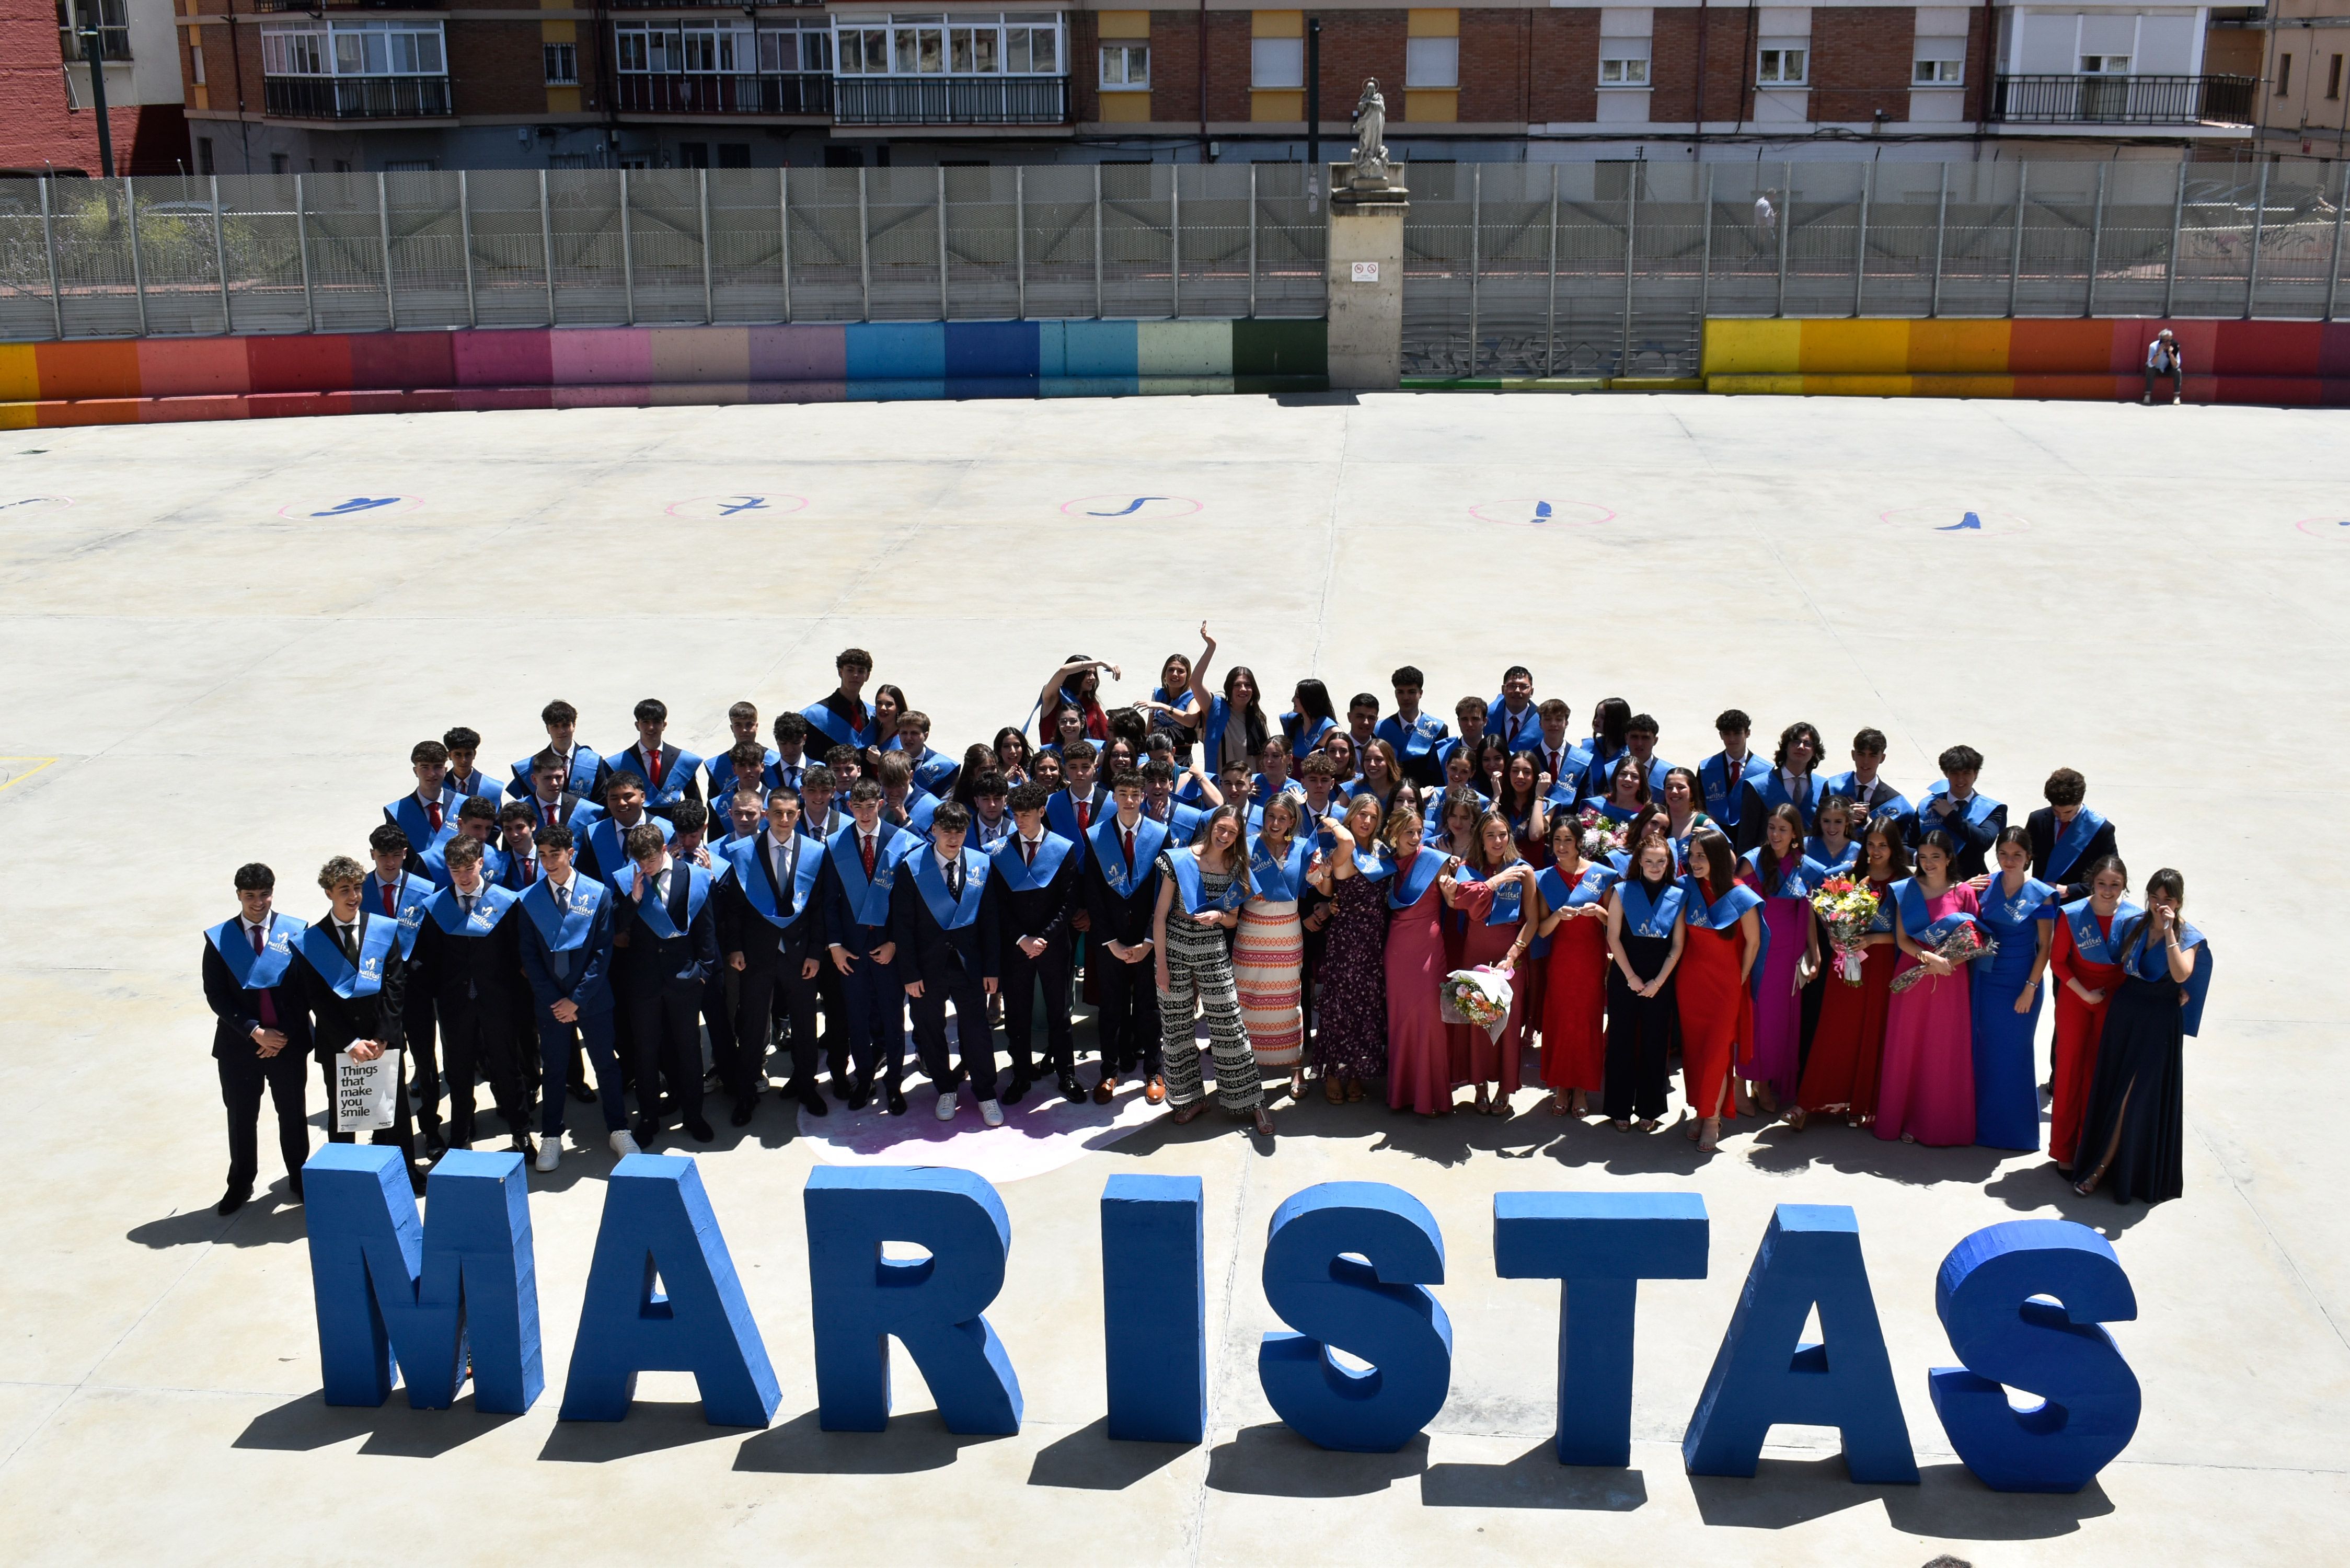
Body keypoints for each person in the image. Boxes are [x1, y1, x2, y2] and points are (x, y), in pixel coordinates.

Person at [2071, 869, 2213, 1204]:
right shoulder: (2134, 924)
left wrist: (2169, 932)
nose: (2160, 905)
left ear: (2179, 902)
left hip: (2158, 1024)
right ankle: (2110, 1165)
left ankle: (2101, 1168)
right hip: (2125, 1014)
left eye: (2168, 900)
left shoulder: (2188, 936)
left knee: (2132, 1097)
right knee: (2113, 1089)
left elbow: (2181, 973)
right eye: (2155, 897)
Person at [295, 855, 421, 1191]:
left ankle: (404, 1173)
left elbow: (396, 984)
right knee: (344, 1117)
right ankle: (346, 1184)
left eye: (357, 888)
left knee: (394, 1112)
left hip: (383, 1040)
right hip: (341, 1046)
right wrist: (350, 1042)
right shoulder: (313, 940)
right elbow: (317, 999)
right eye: (344, 890)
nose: (353, 896)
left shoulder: (381, 929)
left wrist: (383, 1036)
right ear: (328, 893)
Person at [516, 824, 633, 1171]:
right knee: (554, 1069)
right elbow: (529, 957)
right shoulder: (530, 899)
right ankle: (552, 1135)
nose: (549, 862)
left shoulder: (597, 894)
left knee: (606, 1065)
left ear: (571, 853)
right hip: (551, 1003)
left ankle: (619, 1129)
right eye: (543, 855)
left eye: (555, 854)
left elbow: (602, 953)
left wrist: (577, 999)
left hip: (592, 999)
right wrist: (556, 1000)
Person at [1154, 805, 1274, 1136]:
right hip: (1174, 947)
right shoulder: (1179, 859)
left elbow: (1233, 919)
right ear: (1211, 826)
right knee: (1176, 1028)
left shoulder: (1236, 867)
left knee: (1229, 1024)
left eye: (1232, 832)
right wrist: (1161, 966)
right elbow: (1160, 916)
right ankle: (1189, 1099)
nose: (1225, 836)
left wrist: (1219, 917)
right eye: (1221, 828)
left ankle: (1252, 1101)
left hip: (1212, 948)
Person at [202, 863, 313, 1215]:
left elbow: (305, 991)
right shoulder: (221, 939)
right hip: (240, 1046)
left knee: (292, 1114)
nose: (258, 902)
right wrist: (255, 1031)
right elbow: (216, 995)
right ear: (238, 895)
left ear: (272, 893)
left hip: (288, 1044)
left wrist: (281, 1035)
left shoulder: (293, 932)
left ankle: (299, 1176)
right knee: (241, 1116)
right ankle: (240, 1182)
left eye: (264, 895)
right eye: (250, 896)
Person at [414, 834, 533, 1157]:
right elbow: (428, 958)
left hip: (498, 1000)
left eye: (469, 868)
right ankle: (460, 1135)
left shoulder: (506, 902)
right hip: (455, 1004)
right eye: (456, 871)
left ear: (481, 863)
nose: (464, 877)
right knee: (459, 1072)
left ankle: (521, 1132)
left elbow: (518, 953)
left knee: (507, 1067)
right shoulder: (437, 907)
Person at [716, 790, 828, 1123]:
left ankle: (806, 1085)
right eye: (778, 813)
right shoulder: (745, 852)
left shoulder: (814, 852)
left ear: (798, 815)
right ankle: (746, 1091)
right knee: (752, 1025)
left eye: (790, 814)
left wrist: (815, 953)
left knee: (805, 1024)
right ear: (766, 815)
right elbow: (734, 908)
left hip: (800, 954)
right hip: (756, 954)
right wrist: (735, 947)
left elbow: (820, 909)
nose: (784, 819)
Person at [893, 801, 1003, 1126]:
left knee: (977, 1030)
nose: (953, 838)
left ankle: (985, 1093)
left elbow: (991, 921)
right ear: (934, 830)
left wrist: (992, 969)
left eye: (960, 831)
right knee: (930, 1030)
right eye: (946, 831)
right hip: (927, 967)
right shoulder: (912, 866)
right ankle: (945, 1088)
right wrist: (910, 973)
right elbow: (903, 926)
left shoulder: (981, 864)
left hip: (970, 965)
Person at [1792, 820, 1905, 1129]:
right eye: (1871, 844)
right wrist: (1833, 936)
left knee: (1870, 1031)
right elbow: (1819, 906)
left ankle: (1860, 1103)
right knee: (1833, 1029)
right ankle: (1807, 1102)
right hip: (1845, 962)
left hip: (1880, 965)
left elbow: (1907, 935)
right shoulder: (1849, 877)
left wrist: (1873, 940)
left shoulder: (1904, 883)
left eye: (1883, 845)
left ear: (1894, 847)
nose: (1876, 851)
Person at [612, 822, 718, 1146]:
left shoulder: (693, 876)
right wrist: (634, 899)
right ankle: (648, 1117)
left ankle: (694, 1115)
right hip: (643, 982)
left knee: (689, 1050)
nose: (645, 867)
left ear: (663, 850)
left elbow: (706, 929)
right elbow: (614, 927)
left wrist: (703, 971)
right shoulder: (627, 879)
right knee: (645, 1052)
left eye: (651, 860)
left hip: (684, 979)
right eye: (639, 861)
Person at [1877, 830, 1982, 1146]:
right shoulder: (1907, 890)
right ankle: (1901, 1118)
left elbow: (1975, 940)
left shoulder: (1964, 893)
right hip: (1913, 974)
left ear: (1949, 858)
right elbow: (1902, 939)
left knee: (1941, 1050)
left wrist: (1946, 962)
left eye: (1936, 856)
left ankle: (1936, 1124)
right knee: (1908, 1047)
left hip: (1950, 978)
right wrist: (1929, 958)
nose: (1929, 863)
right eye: (1923, 857)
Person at [822, 778, 916, 1114]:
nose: (864, 814)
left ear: (881, 804)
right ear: (849, 807)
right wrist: (835, 946)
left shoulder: (900, 841)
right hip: (851, 950)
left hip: (888, 948)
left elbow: (908, 903)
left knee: (893, 1018)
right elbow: (829, 901)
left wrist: (895, 942)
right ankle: (864, 1079)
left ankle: (893, 1084)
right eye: (858, 807)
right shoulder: (836, 844)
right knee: (857, 1019)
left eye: (870, 806)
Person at [991, 782, 1082, 1104]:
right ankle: (1021, 1074)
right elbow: (998, 903)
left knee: (1060, 1013)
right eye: (1015, 815)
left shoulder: (1062, 847)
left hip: (1053, 944)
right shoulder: (1000, 851)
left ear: (1042, 811)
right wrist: (1022, 939)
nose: (1020, 821)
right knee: (1017, 1014)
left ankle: (1066, 1074)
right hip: (1016, 946)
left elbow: (1069, 902)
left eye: (1026, 815)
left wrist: (1044, 937)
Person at [1441, 811, 1536, 1115]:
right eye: (1490, 835)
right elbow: (1457, 902)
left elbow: (1533, 919)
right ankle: (1479, 1085)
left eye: (1503, 834)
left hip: (1509, 957)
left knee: (1507, 1023)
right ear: (1480, 839)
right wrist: (1493, 882)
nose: (1498, 841)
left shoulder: (1523, 871)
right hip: (1475, 953)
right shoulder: (1468, 870)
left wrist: (1514, 953)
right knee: (1477, 1019)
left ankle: (1505, 1088)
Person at [1677, 829, 1764, 1154]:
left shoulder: (1741, 895)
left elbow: (1753, 942)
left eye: (1702, 856)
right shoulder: (1687, 888)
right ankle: (1702, 1110)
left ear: (1717, 857)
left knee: (1717, 1052)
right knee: (1696, 1051)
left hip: (1726, 985)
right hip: (1691, 983)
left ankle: (1712, 1119)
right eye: (1692, 855)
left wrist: (1739, 978)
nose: (1695, 862)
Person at [1971, 825, 2057, 1152]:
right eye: (2003, 854)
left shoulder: (2040, 893)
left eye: (2017, 855)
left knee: (2014, 1056)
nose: (2009, 860)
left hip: (2021, 984)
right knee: (1985, 1052)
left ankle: (2016, 1134)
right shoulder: (1985, 885)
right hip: (1986, 980)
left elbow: (2046, 947)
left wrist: (2030, 988)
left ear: (2028, 858)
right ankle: (1980, 1126)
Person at [2048, 855, 2135, 1173]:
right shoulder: (2072, 914)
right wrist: (2084, 993)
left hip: (2114, 1002)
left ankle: (2093, 1149)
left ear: (2124, 885)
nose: (2108, 891)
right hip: (2076, 998)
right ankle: (2064, 1150)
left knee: (2099, 1074)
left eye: (2115, 885)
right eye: (2102, 884)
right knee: (2070, 1072)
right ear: (2092, 883)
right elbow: (2058, 962)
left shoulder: (2134, 918)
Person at [1086, 769, 1168, 1103]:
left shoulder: (1159, 835)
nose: (1130, 800)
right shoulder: (1097, 837)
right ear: (1114, 797)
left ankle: (1154, 1071)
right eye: (1123, 794)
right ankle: (1109, 1071)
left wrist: (1149, 941)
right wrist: (1112, 943)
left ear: (1143, 796)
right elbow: (1093, 894)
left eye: (1135, 794)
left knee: (1149, 1007)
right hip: (1111, 940)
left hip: (1147, 938)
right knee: (1112, 1007)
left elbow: (1163, 893)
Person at [1737, 804, 1821, 1117]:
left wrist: (1815, 951)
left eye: (1783, 829)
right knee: (1753, 1018)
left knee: (1776, 1022)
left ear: (1795, 834)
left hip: (1788, 956)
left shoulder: (1805, 866)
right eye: (1772, 827)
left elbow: (1808, 912)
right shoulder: (1752, 861)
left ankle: (1764, 1083)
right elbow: (1735, 902)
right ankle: (1741, 1083)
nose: (1775, 834)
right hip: (1757, 950)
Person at [1305, 795, 1390, 1104]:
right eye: (1362, 814)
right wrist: (1333, 821)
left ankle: (1355, 1072)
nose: (1367, 821)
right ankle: (1333, 1072)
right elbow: (1347, 840)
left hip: (1375, 939)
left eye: (1373, 816)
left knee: (1366, 1007)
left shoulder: (1382, 850)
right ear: (1351, 816)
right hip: (1347, 940)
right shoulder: (1344, 849)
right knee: (1340, 1007)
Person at [1530, 815, 1616, 1117]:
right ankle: (1562, 1086)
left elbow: (1615, 923)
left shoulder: (1601, 876)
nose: (1562, 846)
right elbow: (1542, 930)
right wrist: (1557, 916)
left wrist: (1599, 913)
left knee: (1587, 1022)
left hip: (1591, 960)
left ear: (1580, 842)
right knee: (1561, 1021)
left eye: (1568, 840)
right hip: (1561, 961)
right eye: (1557, 840)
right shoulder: (1545, 878)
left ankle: (1582, 1087)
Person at [1600, 836, 1684, 1132]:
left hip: (1660, 980)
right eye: (1649, 861)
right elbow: (1613, 938)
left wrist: (1658, 982)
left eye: (1661, 861)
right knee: (1621, 1042)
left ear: (1669, 862)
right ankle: (1618, 1108)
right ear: (1639, 862)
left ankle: (1650, 1109)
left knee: (1655, 1044)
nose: (1655, 866)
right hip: (1626, 977)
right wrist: (1631, 977)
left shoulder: (1678, 895)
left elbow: (1677, 945)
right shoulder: (1623, 891)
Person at [1237, 793, 1315, 1097]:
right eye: (1271, 816)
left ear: (1292, 821)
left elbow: (1321, 883)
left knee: (1288, 1001)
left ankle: (1296, 1069)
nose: (1275, 823)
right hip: (1251, 934)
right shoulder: (1247, 846)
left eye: (1283, 818)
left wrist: (1322, 870)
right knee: (1248, 1001)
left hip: (1287, 935)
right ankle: (1247, 1069)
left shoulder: (1302, 849)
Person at [1382, 802, 1456, 1116]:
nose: (1415, 838)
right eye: (1408, 832)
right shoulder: (1384, 863)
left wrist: (1453, 888)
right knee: (1400, 1021)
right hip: (1397, 951)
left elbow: (1454, 900)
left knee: (1429, 1020)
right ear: (1394, 833)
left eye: (1419, 832)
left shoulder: (1436, 861)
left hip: (1428, 947)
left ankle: (1431, 1096)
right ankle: (1402, 1094)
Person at [1188, 622, 1271, 783]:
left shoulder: (1258, 719)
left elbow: (1263, 763)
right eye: (1237, 685)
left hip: (1250, 791)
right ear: (1229, 688)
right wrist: (1211, 648)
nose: (1243, 689)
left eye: (1248, 685)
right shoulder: (1216, 709)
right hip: (1220, 789)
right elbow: (1195, 682)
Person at [2026, 768, 2119, 907]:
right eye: (2056, 811)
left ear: (2080, 801)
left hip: (2077, 906)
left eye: (2068, 812)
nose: (2062, 817)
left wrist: (2070, 890)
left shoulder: (2101, 830)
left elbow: (2113, 875)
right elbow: (2024, 859)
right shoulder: (2037, 819)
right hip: (2039, 903)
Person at [1911, 744, 2005, 880]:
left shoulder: (1992, 808)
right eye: (1955, 773)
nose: (1960, 780)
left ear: (1976, 774)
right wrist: (1923, 858)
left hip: (1972, 883)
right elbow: (1905, 845)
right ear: (1946, 774)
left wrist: (1951, 815)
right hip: (1930, 883)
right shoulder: (1928, 805)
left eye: (1966, 773)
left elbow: (1984, 842)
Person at [1736, 721, 1826, 854]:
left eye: (1807, 744)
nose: (1801, 747)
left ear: (1814, 751)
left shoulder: (1823, 787)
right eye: (1795, 742)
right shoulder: (1758, 786)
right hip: (1767, 860)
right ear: (1786, 747)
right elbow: (1747, 838)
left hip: (1808, 861)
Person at [609, 698, 704, 817]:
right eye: (645, 722)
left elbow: (694, 803)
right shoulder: (618, 763)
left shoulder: (683, 760)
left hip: (673, 825)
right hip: (634, 825)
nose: (651, 727)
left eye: (657, 722)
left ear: (664, 725)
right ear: (637, 725)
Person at [507, 699, 607, 802]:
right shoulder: (532, 765)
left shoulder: (593, 761)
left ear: (574, 726)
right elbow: (529, 804)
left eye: (566, 725)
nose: (561, 731)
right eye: (555, 726)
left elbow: (601, 802)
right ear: (548, 729)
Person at [1698, 709, 1769, 846]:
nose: (1732, 739)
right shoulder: (1707, 769)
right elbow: (1700, 805)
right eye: (1727, 734)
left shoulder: (1765, 770)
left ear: (1748, 733)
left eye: (1737, 733)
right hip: (1716, 839)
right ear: (1721, 735)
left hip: (1754, 839)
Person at [386, 739, 462, 866]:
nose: (432, 774)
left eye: (438, 767)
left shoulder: (463, 805)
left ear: (445, 770)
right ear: (416, 771)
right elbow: (395, 857)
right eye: (425, 767)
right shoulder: (398, 813)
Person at [1375, 665, 1450, 788]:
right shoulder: (1380, 730)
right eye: (1401, 692)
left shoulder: (1438, 730)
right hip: (1390, 795)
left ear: (1421, 693)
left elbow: (1440, 773)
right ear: (1395, 694)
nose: (1406, 698)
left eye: (1412, 692)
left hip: (1426, 795)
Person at [1825, 728, 1910, 836]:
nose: (1866, 761)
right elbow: (1818, 825)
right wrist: (1842, 817)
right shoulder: (1832, 787)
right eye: (1861, 754)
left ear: (1882, 758)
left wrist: (1869, 822)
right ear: (1853, 755)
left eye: (1873, 756)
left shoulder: (1893, 801)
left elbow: (1898, 841)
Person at [803, 647, 880, 750]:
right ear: (840, 672)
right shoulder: (814, 715)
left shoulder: (872, 715)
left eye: (861, 671)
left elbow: (876, 745)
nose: (855, 675)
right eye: (850, 670)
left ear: (867, 676)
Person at [706, 701, 782, 802]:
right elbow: (714, 803)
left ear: (756, 726)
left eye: (749, 725)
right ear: (732, 728)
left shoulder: (775, 760)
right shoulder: (718, 766)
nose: (744, 730)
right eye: (738, 725)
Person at [1040, 655, 1118, 742]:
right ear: (1075, 675)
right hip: (1055, 751)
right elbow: (1063, 671)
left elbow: (1108, 735)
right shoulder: (1053, 697)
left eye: (1094, 674)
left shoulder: (1091, 704)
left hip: (1084, 750)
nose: (1093, 678)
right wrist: (1100, 663)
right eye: (1088, 673)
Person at [442, 727, 505, 805]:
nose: (464, 760)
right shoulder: (440, 786)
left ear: (474, 754)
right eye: (458, 755)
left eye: (468, 754)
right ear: (450, 756)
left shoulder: (491, 788)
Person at [1487, 665, 1540, 752]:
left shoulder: (1541, 722)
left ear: (1532, 692)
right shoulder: (1488, 717)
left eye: (1524, 687)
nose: (1517, 691)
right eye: (1512, 686)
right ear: (1503, 690)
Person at [1283, 678, 1339, 759]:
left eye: (1298, 697)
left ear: (1310, 699)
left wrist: (1322, 752)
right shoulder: (1291, 721)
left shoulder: (1329, 729)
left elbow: (1344, 751)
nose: (1293, 700)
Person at [1804, 795, 1860, 873]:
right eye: (1826, 821)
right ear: (1819, 821)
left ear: (1847, 821)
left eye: (1838, 822)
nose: (1832, 828)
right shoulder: (1806, 846)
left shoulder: (1858, 851)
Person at [2144, 327, 2183, 405]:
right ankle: (2147, 395)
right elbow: (2151, 364)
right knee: (2149, 369)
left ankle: (2176, 397)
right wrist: (2159, 353)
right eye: (2165, 341)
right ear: (2161, 340)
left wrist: (2170, 354)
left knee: (2178, 371)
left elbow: (2176, 366)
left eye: (2170, 340)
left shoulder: (2175, 346)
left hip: (2168, 370)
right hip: (2156, 370)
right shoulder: (2153, 346)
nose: (2168, 343)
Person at [993, 726, 1035, 790]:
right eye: (1006, 746)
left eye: (1017, 745)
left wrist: (1028, 787)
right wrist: (1001, 783)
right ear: (999, 751)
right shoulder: (993, 774)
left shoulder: (1033, 771)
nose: (1013, 751)